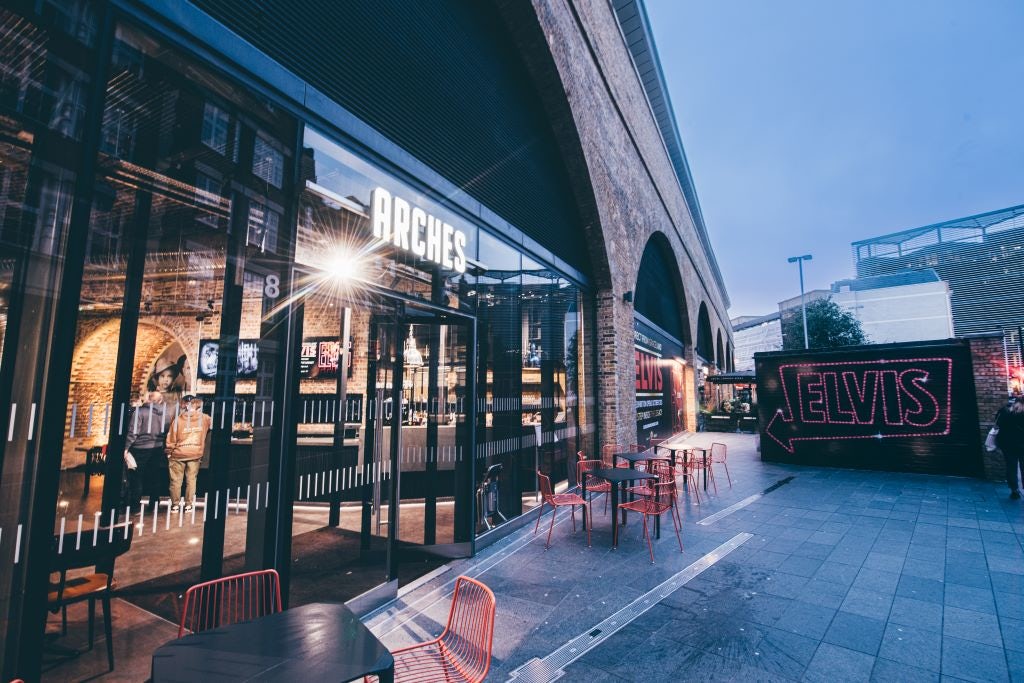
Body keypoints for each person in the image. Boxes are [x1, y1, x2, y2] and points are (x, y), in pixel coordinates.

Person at [165, 395, 212, 512]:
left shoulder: (178, 420)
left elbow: (171, 437)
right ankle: (188, 505)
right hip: (195, 453)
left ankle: (175, 505)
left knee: (176, 481)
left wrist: (169, 451)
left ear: (186, 406)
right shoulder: (205, 418)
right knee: (191, 480)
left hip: (178, 453)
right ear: (199, 407)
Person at [124, 391, 168, 509]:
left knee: (136, 477)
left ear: (149, 398)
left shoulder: (140, 412)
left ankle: (135, 504)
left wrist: (126, 447)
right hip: (157, 447)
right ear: (160, 401)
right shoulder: (165, 414)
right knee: (155, 476)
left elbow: (133, 431)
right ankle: (154, 502)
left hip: (140, 448)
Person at [995, 397, 1024, 500]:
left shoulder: (1005, 411)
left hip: (1008, 445)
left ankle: (1014, 490)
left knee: (1011, 467)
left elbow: (997, 424)